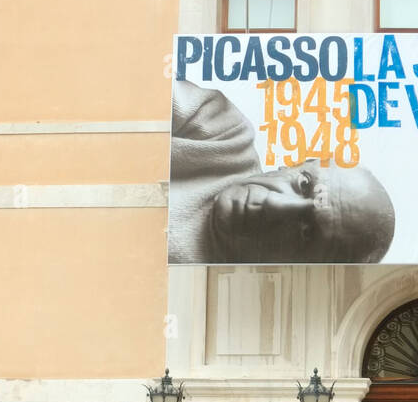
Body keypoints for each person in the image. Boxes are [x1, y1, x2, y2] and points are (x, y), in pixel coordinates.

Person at [168, 79, 396, 264]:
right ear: (296, 163)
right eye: (304, 184)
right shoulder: (221, 133)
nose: (275, 204)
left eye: (307, 233)